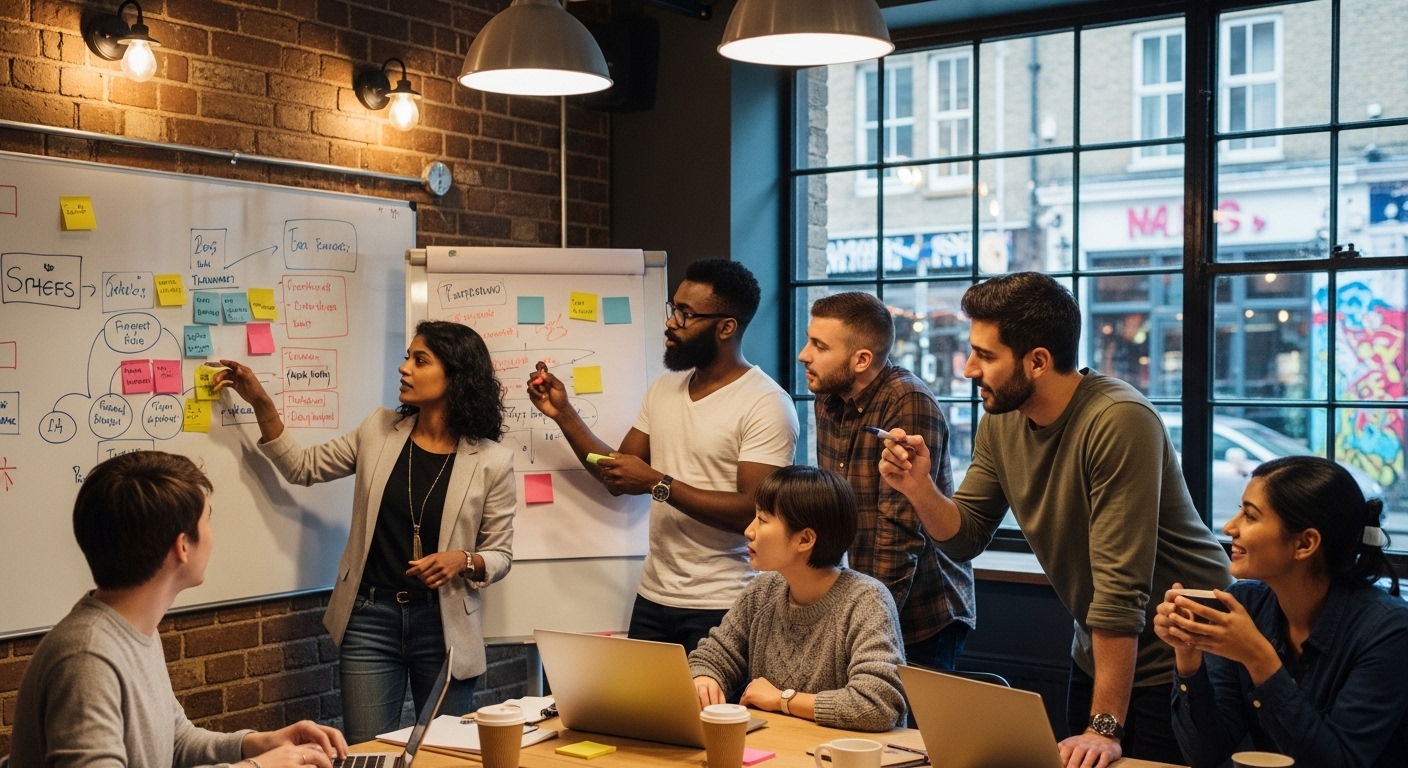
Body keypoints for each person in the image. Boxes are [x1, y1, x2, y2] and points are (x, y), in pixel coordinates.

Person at [877, 272, 1231, 768]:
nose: (969, 369)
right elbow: (965, 536)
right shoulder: (1000, 420)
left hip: (1182, 652)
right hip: (1100, 650)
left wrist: (1104, 726)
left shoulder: (1118, 418)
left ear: (1038, 361)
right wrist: (918, 487)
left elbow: (1119, 586)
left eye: (986, 354)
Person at [214, 320, 516, 743]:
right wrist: (260, 402)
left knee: (442, 755)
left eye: (419, 360)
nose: (403, 368)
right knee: (366, 753)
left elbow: (500, 555)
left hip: (443, 625)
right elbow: (303, 467)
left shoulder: (491, 461)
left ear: (455, 376)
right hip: (370, 621)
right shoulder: (378, 430)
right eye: (407, 356)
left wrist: (463, 560)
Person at [5, 451, 349, 768]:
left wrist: (258, 744)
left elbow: (175, 739)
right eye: (207, 521)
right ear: (182, 546)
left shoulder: (136, 628)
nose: (213, 536)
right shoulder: (86, 660)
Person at [525, 258, 798, 652]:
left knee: (714, 715)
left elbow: (752, 512)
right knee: (645, 715)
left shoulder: (766, 404)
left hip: (725, 603)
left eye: (686, 314)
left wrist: (658, 484)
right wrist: (563, 413)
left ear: (726, 327)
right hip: (654, 597)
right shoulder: (665, 387)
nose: (672, 322)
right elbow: (616, 476)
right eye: (674, 308)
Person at [1155, 456, 1408, 768]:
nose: (1229, 527)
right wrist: (1188, 653)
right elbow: (1207, 756)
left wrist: (1259, 658)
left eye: (1249, 516)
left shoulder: (1388, 630)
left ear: (1305, 543)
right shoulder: (1245, 604)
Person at [798, 291, 975, 670]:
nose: (804, 355)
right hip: (861, 600)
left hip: (923, 610)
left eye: (818, 345)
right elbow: (836, 509)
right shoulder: (827, 395)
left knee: (906, 729)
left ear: (861, 359)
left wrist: (862, 620)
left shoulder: (907, 401)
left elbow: (898, 534)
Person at [688, 466, 907, 732]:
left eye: (762, 519)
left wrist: (783, 700)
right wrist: (704, 678)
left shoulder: (866, 600)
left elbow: (878, 705)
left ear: (804, 539)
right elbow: (713, 656)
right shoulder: (763, 591)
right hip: (776, 751)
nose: (749, 530)